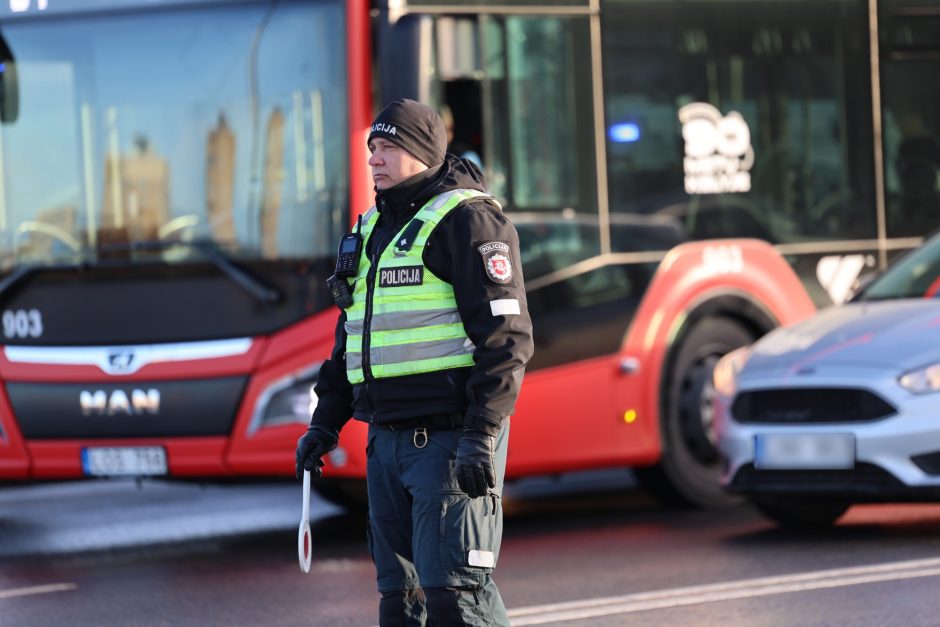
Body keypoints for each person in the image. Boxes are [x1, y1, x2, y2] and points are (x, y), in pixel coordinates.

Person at [295, 98, 533, 626]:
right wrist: (325, 423)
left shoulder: (468, 221)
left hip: (449, 441)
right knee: (401, 606)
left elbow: (507, 339)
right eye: (372, 148)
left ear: (423, 153)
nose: (375, 159)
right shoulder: (370, 229)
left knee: (456, 599)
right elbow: (351, 337)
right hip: (386, 444)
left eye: (389, 147)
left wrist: (482, 432)